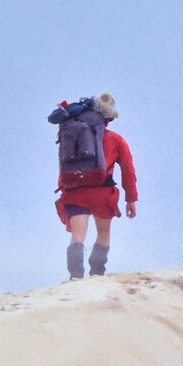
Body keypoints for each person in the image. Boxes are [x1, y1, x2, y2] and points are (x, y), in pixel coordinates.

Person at [51, 92, 138, 279]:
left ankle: (75, 276)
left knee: (77, 236)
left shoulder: (71, 133)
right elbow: (128, 171)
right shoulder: (116, 140)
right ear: (108, 119)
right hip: (102, 193)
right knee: (103, 233)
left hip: (75, 191)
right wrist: (131, 199)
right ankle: (97, 273)